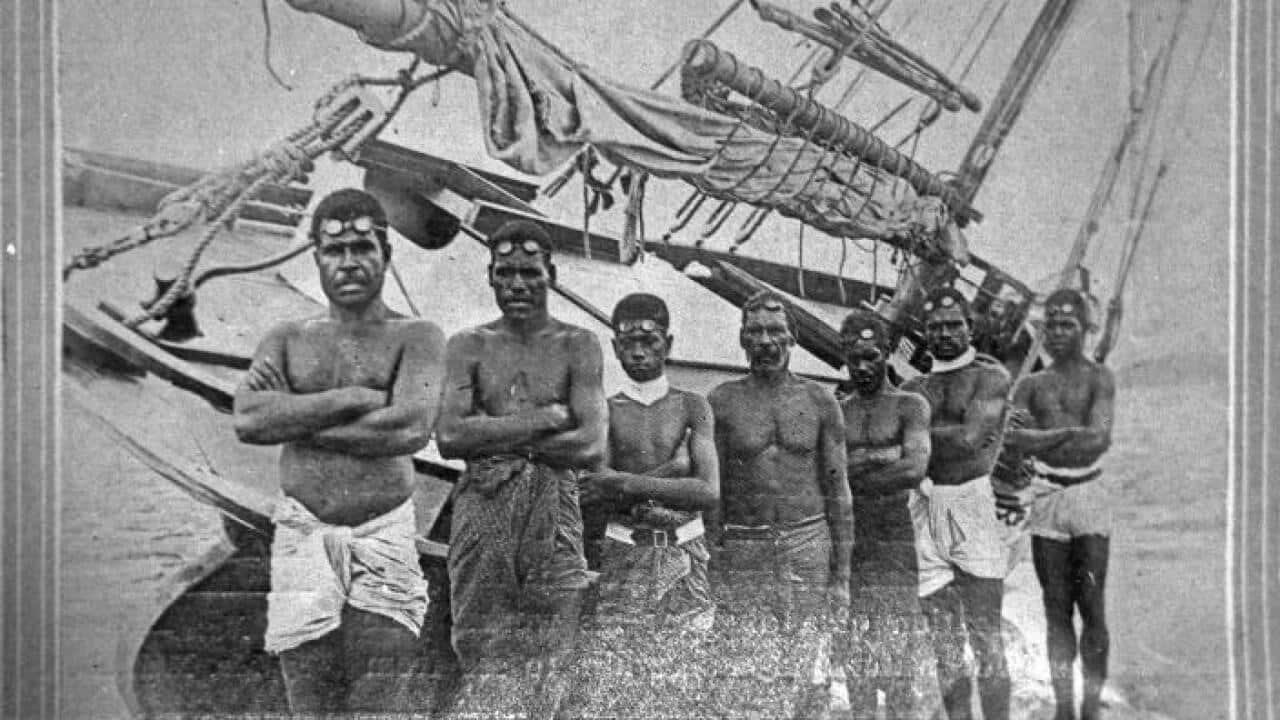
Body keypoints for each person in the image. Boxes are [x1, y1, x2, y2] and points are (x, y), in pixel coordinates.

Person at [232, 188, 447, 714]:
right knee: (308, 695)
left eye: (361, 247)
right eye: (335, 250)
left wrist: (297, 419)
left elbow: (407, 429)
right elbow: (248, 418)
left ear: (386, 254)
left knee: (383, 694)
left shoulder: (416, 337)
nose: (348, 261)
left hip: (383, 535)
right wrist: (350, 398)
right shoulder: (286, 338)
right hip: (304, 533)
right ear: (317, 258)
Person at [433, 220, 606, 717]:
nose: (517, 285)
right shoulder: (469, 346)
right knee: (482, 642)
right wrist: (545, 419)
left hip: (555, 504)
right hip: (484, 504)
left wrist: (494, 432)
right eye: (505, 273)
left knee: (552, 647)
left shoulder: (579, 345)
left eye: (529, 272)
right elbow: (449, 438)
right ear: (489, 275)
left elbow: (590, 444)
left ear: (549, 273)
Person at [564, 293, 720, 717]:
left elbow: (707, 492)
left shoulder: (693, 405)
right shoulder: (606, 410)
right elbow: (597, 490)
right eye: (628, 340)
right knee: (616, 679)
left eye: (649, 340)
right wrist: (676, 469)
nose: (638, 350)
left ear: (667, 344)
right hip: (625, 554)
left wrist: (625, 482)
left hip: (685, 552)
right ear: (615, 347)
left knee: (681, 682)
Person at [708, 289, 852, 717]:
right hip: (744, 546)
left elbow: (838, 488)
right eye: (756, 332)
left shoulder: (820, 400)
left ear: (793, 340)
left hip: (807, 542)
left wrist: (841, 577)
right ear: (742, 339)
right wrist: (714, 558)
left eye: (776, 332)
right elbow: (713, 490)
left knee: (808, 667)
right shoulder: (722, 399)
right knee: (748, 666)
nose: (766, 341)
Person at [1003, 287, 1116, 720]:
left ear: (1085, 329)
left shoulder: (1099, 378)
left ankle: (1090, 708)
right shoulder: (1031, 384)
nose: (1056, 333)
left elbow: (1099, 438)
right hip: (1047, 497)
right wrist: (1064, 435)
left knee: (1092, 605)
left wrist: (1044, 440)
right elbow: (1011, 440)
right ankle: (1064, 709)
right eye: (1050, 324)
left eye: (1067, 324)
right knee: (1055, 609)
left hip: (1087, 494)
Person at [901, 286, 1012, 720]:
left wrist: (918, 437)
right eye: (935, 327)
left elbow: (970, 440)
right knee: (944, 643)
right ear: (924, 332)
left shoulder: (990, 377)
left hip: (972, 502)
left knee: (987, 636)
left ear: (971, 327)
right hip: (926, 507)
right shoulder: (914, 386)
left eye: (954, 325)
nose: (945, 334)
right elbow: (915, 445)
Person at [837, 309, 933, 720]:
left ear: (888, 352)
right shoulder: (838, 409)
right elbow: (829, 472)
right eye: (854, 357)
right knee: (857, 646)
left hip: (894, 532)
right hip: (851, 533)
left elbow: (914, 469)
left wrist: (855, 475)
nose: (862, 366)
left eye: (871, 356)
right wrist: (881, 462)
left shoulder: (910, 405)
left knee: (897, 647)